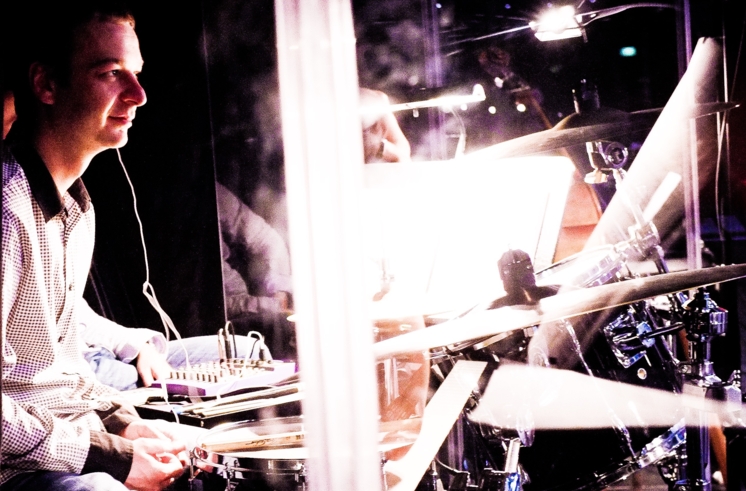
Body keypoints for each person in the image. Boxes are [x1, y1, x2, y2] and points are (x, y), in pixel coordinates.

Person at [1, 3, 207, 489]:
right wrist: (111, 457)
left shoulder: (79, 208)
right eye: (111, 73)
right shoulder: (7, 210)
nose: (139, 95)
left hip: (60, 444)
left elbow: (62, 375)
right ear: (46, 84)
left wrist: (125, 425)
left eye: (136, 73)